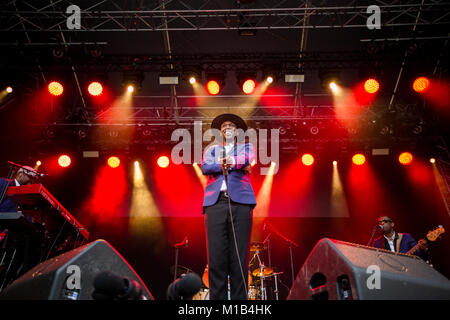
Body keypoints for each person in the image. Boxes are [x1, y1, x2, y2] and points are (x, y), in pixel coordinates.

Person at [201, 113, 256, 300]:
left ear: (238, 130)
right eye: (224, 126)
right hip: (215, 203)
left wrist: (231, 162)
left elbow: (246, 158)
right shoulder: (213, 149)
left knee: (239, 258)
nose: (227, 127)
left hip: (240, 202)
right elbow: (205, 167)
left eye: (231, 125)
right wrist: (221, 164)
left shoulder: (246, 147)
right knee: (216, 258)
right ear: (221, 131)